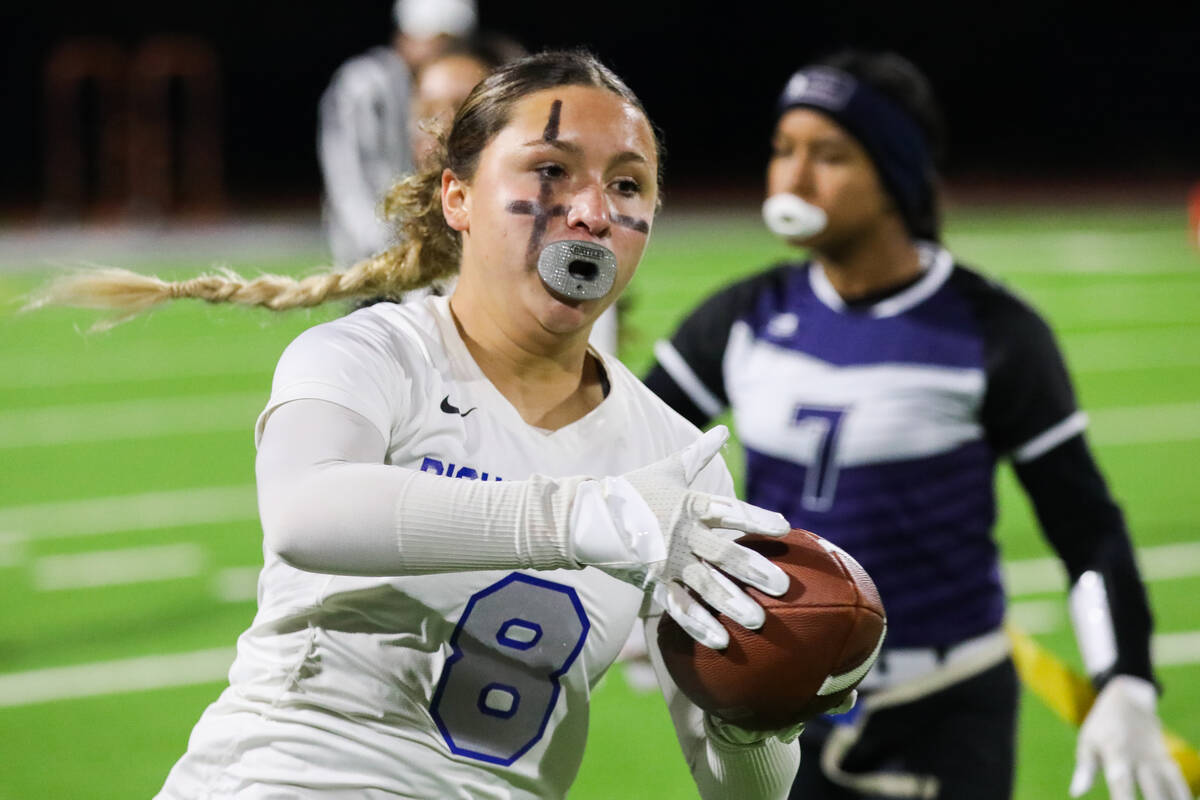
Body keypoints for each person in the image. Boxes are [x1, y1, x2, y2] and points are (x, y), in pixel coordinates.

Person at [34, 51, 813, 799]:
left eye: (628, 184)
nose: (593, 210)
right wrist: (588, 515)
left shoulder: (677, 459)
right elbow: (307, 513)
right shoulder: (372, 354)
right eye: (550, 170)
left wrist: (756, 721)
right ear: (458, 198)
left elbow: (740, 790)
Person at [643, 50, 1190, 800]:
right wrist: (645, 574)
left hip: (945, 709)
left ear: (896, 175)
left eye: (828, 155)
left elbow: (1086, 527)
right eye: (783, 150)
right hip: (778, 703)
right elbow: (627, 458)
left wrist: (1124, 680)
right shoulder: (743, 317)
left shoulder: (990, 331)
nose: (792, 179)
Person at [317, 0, 477, 268]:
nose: (440, 50)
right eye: (433, 39)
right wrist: (379, 247)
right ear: (404, 37)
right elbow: (347, 177)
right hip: (377, 248)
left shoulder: (463, 75)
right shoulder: (365, 87)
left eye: (450, 41)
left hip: (436, 242)